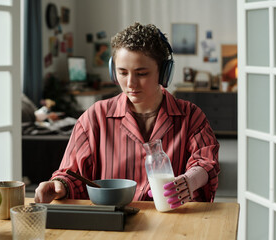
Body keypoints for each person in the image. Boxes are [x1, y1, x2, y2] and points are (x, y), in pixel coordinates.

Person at [35, 22, 220, 209]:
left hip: (172, 220)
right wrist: (59, 185)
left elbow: (206, 162)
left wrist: (190, 180)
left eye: (142, 73)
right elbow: (71, 173)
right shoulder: (94, 117)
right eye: (122, 72)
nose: (130, 84)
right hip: (112, 224)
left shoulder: (191, 116)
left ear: (164, 73)